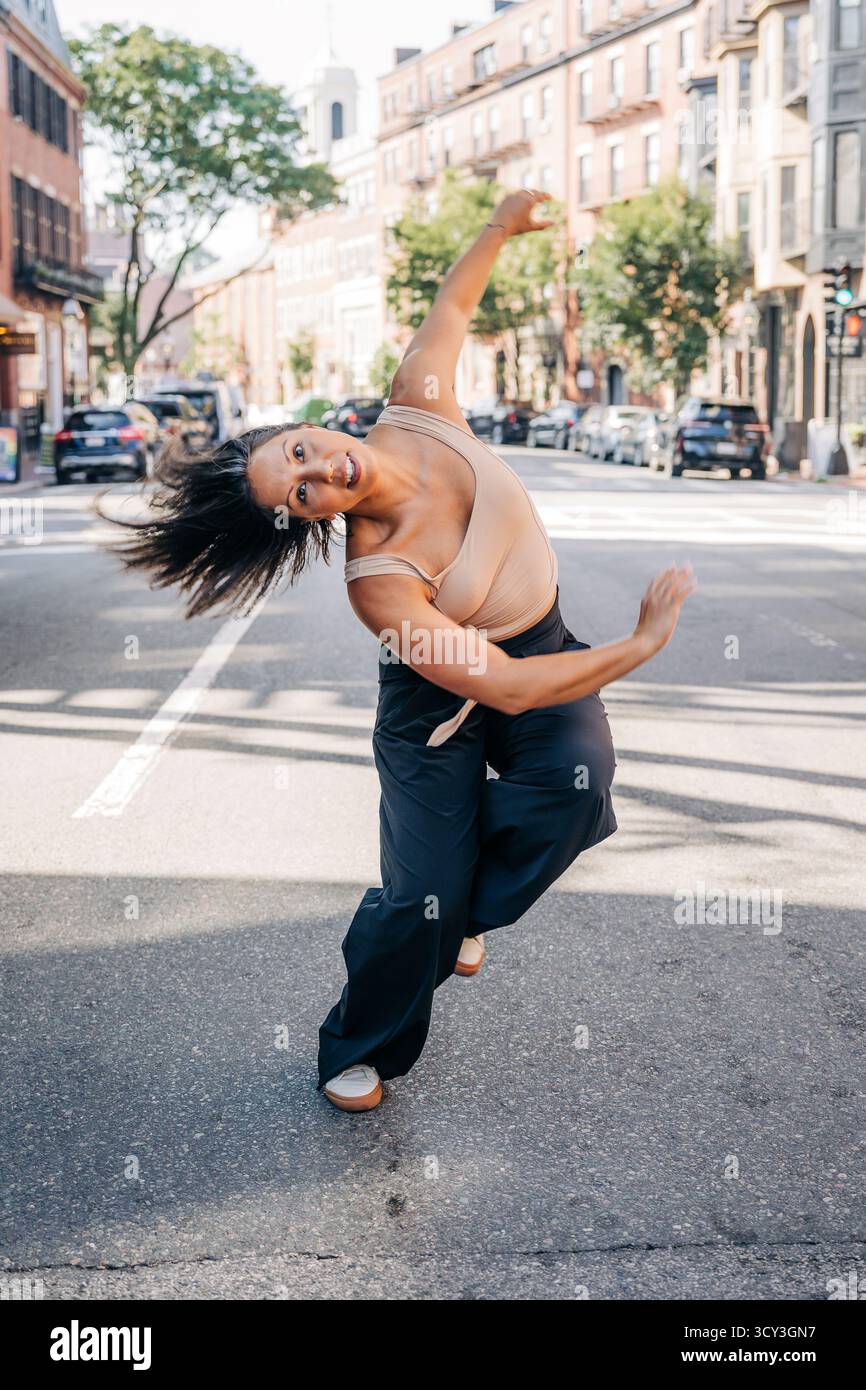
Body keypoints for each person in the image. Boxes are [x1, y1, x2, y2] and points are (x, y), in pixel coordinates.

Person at [99, 189, 696, 1113]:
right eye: (299, 495)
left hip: (536, 639)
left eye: (300, 451)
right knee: (418, 899)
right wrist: (643, 642)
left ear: (307, 426)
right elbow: (500, 687)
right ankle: (361, 1041)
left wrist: (498, 223)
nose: (319, 472)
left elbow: (449, 311)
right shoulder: (381, 585)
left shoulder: (418, 404)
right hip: (437, 711)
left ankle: (469, 911)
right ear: (308, 522)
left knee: (576, 785)